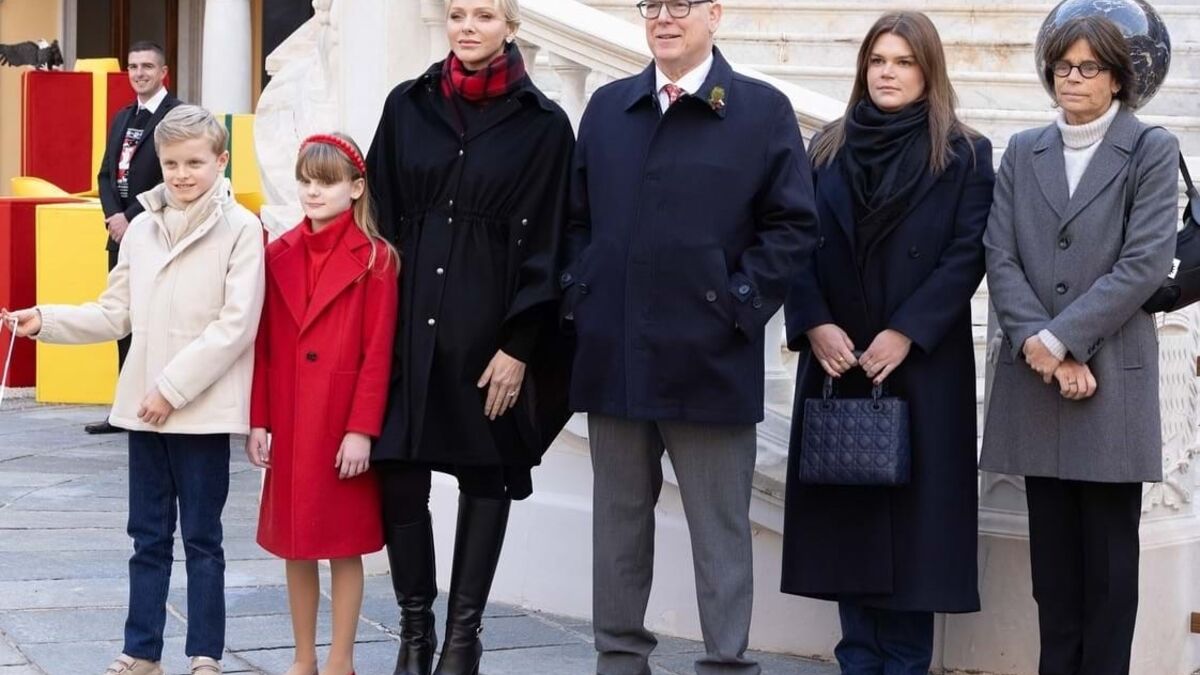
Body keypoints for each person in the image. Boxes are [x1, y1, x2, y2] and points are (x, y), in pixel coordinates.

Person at [562, 1, 817, 672]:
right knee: (617, 528)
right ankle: (619, 660)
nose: (664, 18)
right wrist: (582, 292)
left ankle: (725, 664)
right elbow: (576, 220)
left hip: (712, 361)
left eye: (681, 4)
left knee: (720, 533)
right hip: (616, 358)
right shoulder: (608, 108)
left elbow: (793, 226)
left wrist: (737, 304)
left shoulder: (761, 112)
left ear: (715, 14)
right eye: (652, 5)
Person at [2, 105, 265, 675]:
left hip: (200, 411)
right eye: (171, 163)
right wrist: (45, 320)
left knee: (203, 538)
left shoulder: (243, 229)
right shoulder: (141, 228)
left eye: (194, 162)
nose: (182, 174)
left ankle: (205, 654)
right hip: (144, 412)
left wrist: (171, 389)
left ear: (221, 161)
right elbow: (114, 311)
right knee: (146, 536)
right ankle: (141, 651)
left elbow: (235, 326)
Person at [778, 11, 993, 674]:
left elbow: (967, 254)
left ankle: (903, 664)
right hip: (839, 363)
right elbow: (793, 240)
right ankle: (857, 662)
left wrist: (906, 332)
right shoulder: (825, 147)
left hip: (921, 368)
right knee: (848, 530)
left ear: (928, 71)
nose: (888, 73)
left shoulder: (965, 153)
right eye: (878, 60)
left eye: (903, 61)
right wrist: (813, 322)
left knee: (914, 540)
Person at [364, 1, 575, 673]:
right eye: (457, 12)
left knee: (486, 474)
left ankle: (463, 638)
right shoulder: (407, 106)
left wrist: (519, 346)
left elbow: (552, 242)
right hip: (405, 330)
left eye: (484, 13)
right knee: (398, 472)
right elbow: (376, 217)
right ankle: (415, 630)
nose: (467, 26)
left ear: (510, 25)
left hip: (488, 338)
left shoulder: (544, 125)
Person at [980, 15, 1180, 675]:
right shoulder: (1023, 149)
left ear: (1118, 78)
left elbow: (1145, 263)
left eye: (1089, 67)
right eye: (1063, 66)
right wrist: (1040, 345)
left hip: (1112, 383)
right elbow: (1000, 254)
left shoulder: (1149, 149)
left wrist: (1062, 339)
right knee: (1054, 573)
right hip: (1037, 384)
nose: (1072, 78)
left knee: (1111, 574)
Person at [247, 132, 398, 675]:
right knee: (296, 543)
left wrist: (362, 429)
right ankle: (303, 658)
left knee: (342, 543)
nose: (313, 192)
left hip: (338, 422)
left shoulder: (377, 259)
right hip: (291, 418)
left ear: (355, 188)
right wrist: (259, 420)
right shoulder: (277, 253)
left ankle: (340, 659)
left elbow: (378, 353)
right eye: (306, 181)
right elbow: (264, 344)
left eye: (327, 182)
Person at [90, 39, 182, 435]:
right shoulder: (122, 117)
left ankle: (156, 405)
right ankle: (123, 410)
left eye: (147, 66)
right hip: (120, 235)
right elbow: (106, 175)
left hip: (158, 233)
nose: (139, 73)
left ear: (163, 72)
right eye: (133, 67)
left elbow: (174, 179)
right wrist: (114, 217)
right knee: (122, 318)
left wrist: (131, 217)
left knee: (156, 319)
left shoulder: (178, 117)